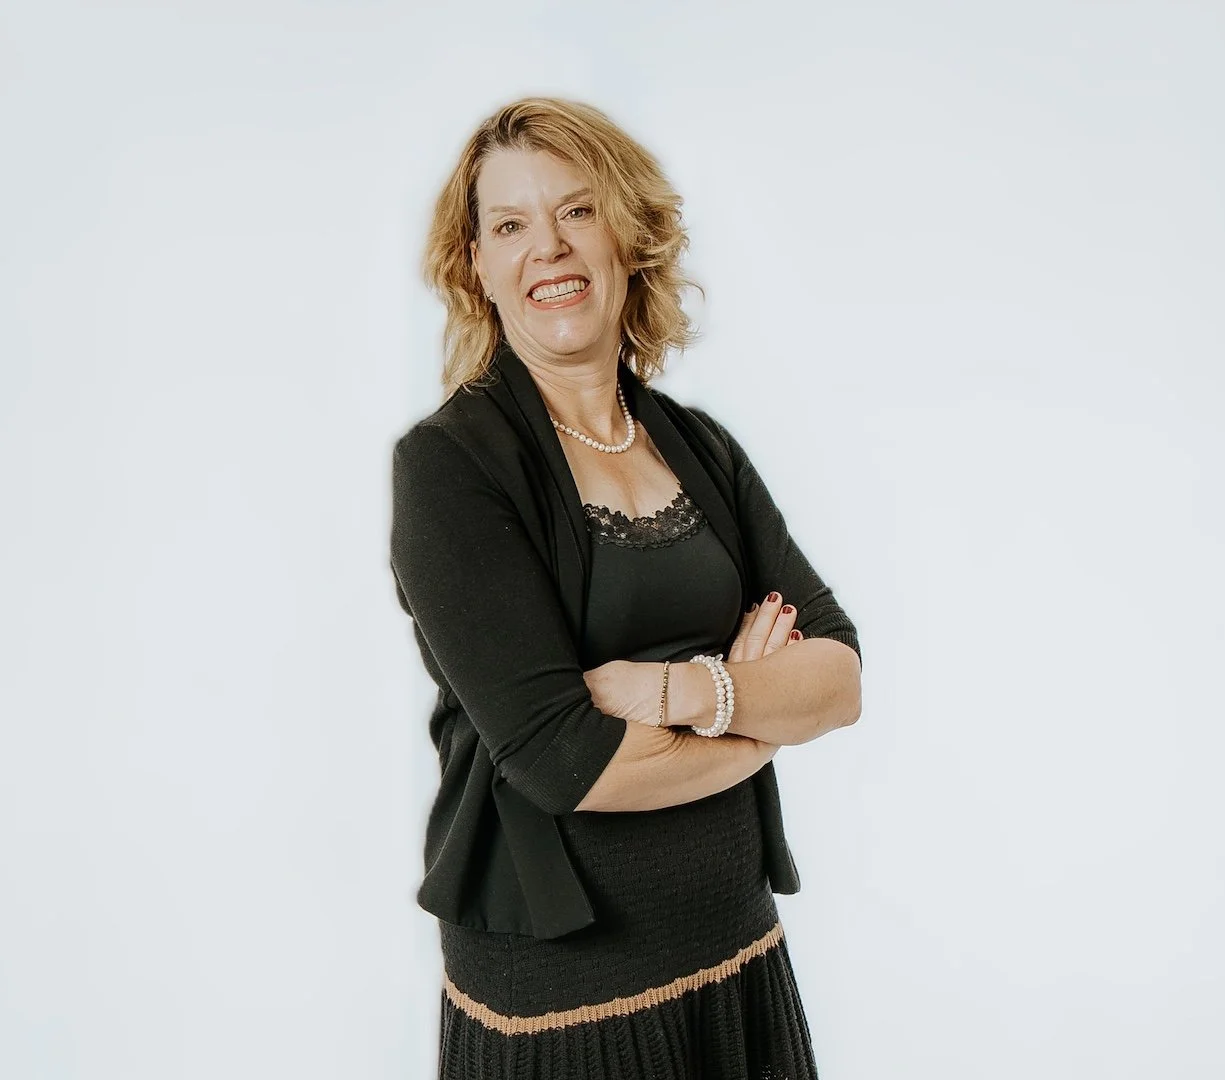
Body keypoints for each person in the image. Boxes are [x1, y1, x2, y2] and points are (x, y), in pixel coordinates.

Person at [389, 96, 863, 1079]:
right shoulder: (451, 469)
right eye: (510, 225)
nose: (548, 249)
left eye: (577, 211)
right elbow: (570, 765)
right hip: (566, 1007)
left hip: (739, 953)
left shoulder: (699, 446)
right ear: (477, 264)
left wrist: (681, 693)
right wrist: (766, 715)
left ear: (628, 235)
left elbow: (841, 675)